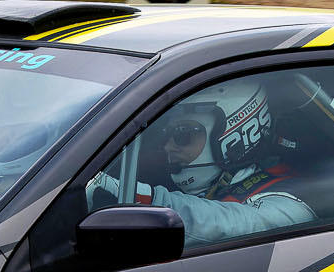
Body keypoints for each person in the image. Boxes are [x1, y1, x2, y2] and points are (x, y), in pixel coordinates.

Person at [91, 77, 315, 246]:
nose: (168, 146)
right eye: (167, 134)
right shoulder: (199, 188)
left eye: (183, 134)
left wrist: (127, 194)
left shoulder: (290, 202)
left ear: (234, 138)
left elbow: (230, 225)